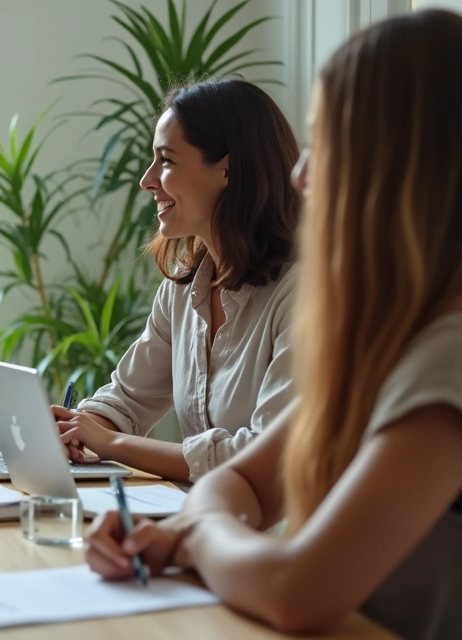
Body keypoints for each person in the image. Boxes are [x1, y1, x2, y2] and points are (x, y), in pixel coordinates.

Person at [85, 10, 462, 639]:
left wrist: (195, 533)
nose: (300, 173)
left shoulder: (447, 357)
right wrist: (178, 530)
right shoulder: (387, 343)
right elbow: (242, 481)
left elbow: (294, 591)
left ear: (400, 167)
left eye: (327, 144)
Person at [53, 79, 301, 483]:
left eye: (166, 161)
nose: (147, 180)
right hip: (198, 519)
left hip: (272, 536)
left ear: (227, 168)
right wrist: (76, 427)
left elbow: (263, 456)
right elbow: (129, 398)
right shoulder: (184, 288)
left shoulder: (302, 293)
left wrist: (110, 443)